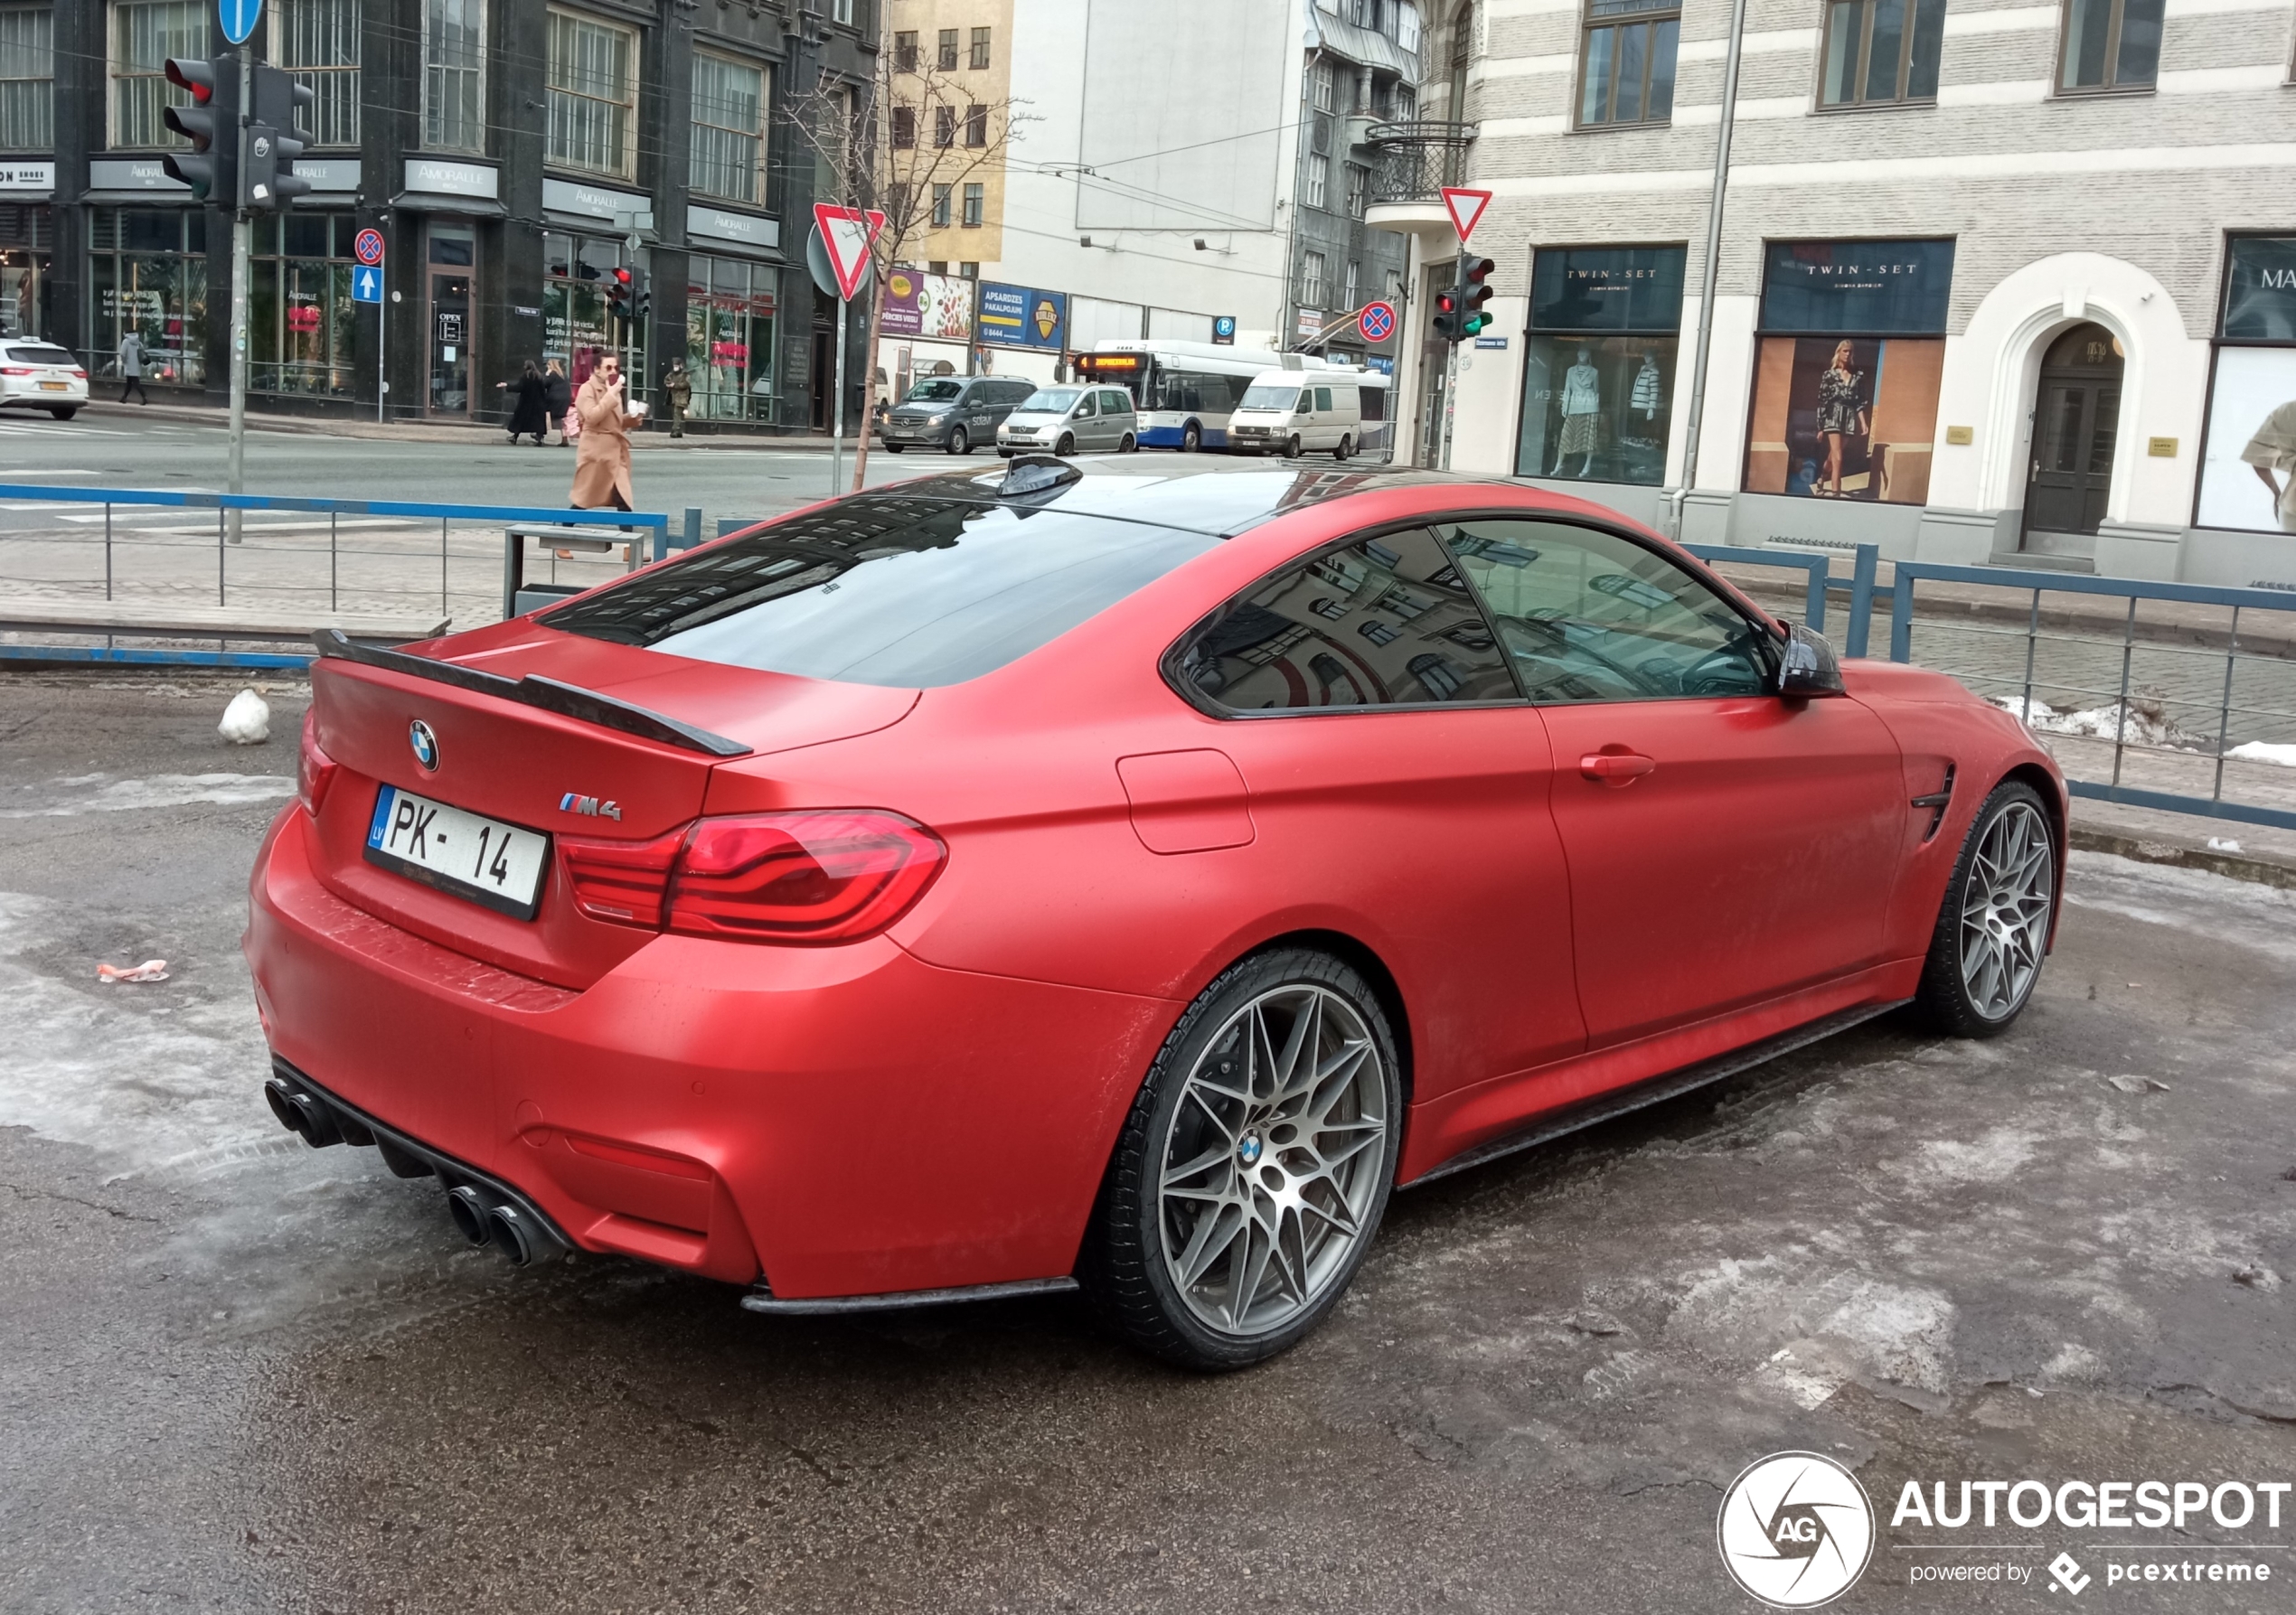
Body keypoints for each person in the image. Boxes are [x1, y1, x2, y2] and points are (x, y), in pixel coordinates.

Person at [569, 352, 644, 512]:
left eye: (616, 368)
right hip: (596, 452)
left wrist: (633, 418)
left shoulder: (613, 390)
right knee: (585, 498)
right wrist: (610, 395)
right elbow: (592, 417)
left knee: (623, 498)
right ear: (597, 369)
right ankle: (566, 524)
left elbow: (613, 422)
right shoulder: (587, 389)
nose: (613, 372)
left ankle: (626, 535)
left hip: (615, 455)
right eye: (608, 367)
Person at [1813, 339, 1869, 498]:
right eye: (1844, 351)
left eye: (1850, 351)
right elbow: (1823, 401)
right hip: (1833, 415)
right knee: (1838, 456)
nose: (1847, 354)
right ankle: (1836, 492)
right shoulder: (1829, 375)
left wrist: (1863, 423)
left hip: (1849, 417)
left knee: (1833, 456)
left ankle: (1822, 478)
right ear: (1838, 353)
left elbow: (1860, 402)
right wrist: (1820, 427)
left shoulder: (1858, 375)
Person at [494, 360, 549, 446]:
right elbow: (543, 391)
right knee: (538, 422)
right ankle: (540, 438)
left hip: (526, 403)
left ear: (527, 366)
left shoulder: (525, 376)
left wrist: (507, 385)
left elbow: (519, 387)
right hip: (538, 403)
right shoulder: (539, 376)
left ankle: (514, 437)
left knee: (520, 420)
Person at [542, 359, 573, 446]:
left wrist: (546, 374)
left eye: (548, 365)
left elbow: (544, 383)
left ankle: (540, 434)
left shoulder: (552, 374)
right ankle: (564, 438)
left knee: (544, 413)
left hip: (554, 399)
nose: (547, 367)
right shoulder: (563, 374)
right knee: (562, 418)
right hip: (565, 399)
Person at [661, 357, 692, 439]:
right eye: (674, 365)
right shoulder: (672, 374)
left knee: (677, 414)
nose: (675, 367)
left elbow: (686, 384)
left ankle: (675, 430)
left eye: (677, 365)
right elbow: (666, 380)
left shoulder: (685, 375)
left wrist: (674, 385)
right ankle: (678, 431)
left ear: (681, 365)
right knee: (676, 415)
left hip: (682, 398)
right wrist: (669, 384)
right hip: (673, 397)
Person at [117, 330, 149, 405]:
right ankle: (124, 397)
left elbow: (122, 353)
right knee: (130, 382)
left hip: (129, 364)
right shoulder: (138, 342)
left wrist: (124, 362)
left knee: (135, 383)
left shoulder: (126, 342)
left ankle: (144, 397)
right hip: (137, 364)